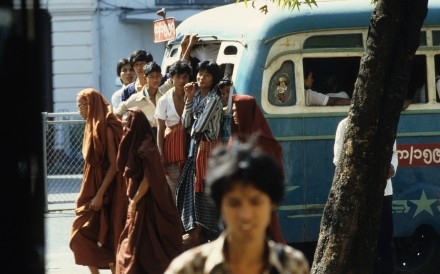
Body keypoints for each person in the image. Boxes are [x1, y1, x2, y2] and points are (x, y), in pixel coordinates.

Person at [165, 139, 310, 274]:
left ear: (272, 205)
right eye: (234, 203)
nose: (245, 214)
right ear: (220, 205)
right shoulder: (188, 268)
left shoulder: (292, 266)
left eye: (255, 202)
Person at [115, 107, 183, 274]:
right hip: (138, 199)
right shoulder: (135, 143)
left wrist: (134, 201)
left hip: (149, 200)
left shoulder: (146, 147)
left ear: (136, 126)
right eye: (123, 125)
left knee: (142, 243)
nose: (125, 129)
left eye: (127, 125)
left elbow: (148, 179)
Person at [70, 88, 127, 274]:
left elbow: (113, 166)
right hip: (92, 188)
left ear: (91, 105)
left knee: (105, 235)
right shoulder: (90, 125)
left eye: (81, 105)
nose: (79, 109)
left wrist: (100, 195)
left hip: (106, 190)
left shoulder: (107, 129)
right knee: (82, 236)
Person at [333, 117, 398, 274]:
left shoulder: (385, 123)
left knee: (385, 241)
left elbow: (394, 153)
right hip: (358, 194)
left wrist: (392, 168)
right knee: (361, 243)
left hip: (383, 192)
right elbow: (338, 159)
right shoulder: (345, 125)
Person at [177, 59, 224, 249]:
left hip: (208, 149)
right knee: (188, 189)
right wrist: (188, 99)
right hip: (195, 149)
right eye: (200, 73)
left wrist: (192, 123)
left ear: (213, 79)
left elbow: (198, 127)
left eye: (207, 75)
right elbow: (185, 123)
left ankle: (200, 232)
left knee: (203, 191)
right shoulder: (196, 96)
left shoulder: (214, 99)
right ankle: (194, 229)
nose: (201, 78)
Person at [229, 94, 286, 244]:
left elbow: (276, 174)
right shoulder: (235, 139)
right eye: (233, 111)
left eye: (237, 111)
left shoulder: (263, 142)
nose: (234, 115)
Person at [154, 60, 192, 201]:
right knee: (172, 189)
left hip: (189, 149)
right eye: (178, 77)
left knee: (189, 189)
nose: (182, 80)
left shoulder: (193, 96)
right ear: (171, 78)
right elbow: (160, 129)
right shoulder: (164, 100)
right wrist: (160, 153)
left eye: (185, 77)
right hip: (171, 149)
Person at [114, 61, 171, 136]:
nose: (155, 80)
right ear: (145, 78)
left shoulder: (163, 94)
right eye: (151, 77)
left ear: (161, 76)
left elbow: (173, 80)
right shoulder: (136, 98)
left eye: (157, 76)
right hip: (145, 139)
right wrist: (125, 128)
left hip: (163, 136)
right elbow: (117, 113)